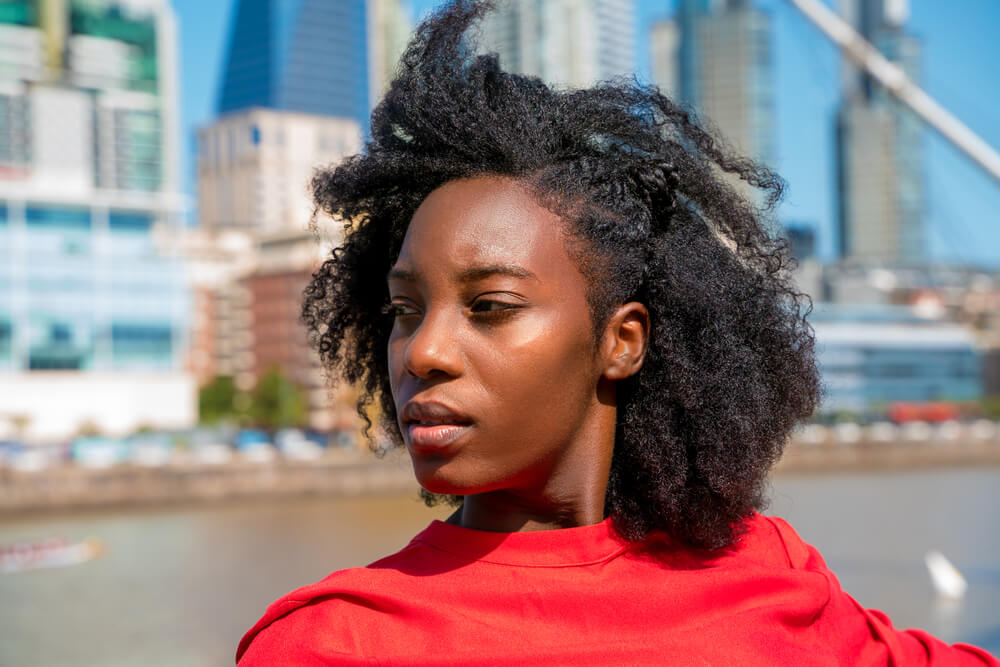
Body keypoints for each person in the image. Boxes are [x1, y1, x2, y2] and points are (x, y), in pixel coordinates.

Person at [236, 1, 998, 664]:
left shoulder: (777, 581)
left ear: (622, 341)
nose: (424, 352)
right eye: (405, 311)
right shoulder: (327, 644)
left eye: (491, 306)